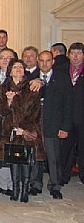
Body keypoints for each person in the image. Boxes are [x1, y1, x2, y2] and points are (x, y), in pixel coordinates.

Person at [0, 60, 45, 203]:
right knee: (13, 160)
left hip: (27, 128)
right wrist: (9, 102)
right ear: (10, 71)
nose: (18, 69)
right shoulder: (4, 87)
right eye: (15, 67)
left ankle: (24, 190)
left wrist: (22, 129)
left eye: (20, 67)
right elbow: (2, 110)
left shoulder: (31, 86)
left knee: (26, 160)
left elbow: (35, 111)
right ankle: (15, 190)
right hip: (10, 129)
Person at [38, 50, 72, 199]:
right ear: (38, 62)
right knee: (36, 157)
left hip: (54, 123)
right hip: (36, 125)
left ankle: (55, 185)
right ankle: (35, 184)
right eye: (42, 60)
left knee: (54, 157)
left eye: (47, 60)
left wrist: (65, 127)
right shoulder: (32, 78)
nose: (44, 63)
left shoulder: (63, 78)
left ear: (52, 62)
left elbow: (68, 104)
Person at [61, 42, 84, 185]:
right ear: (68, 55)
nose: (75, 56)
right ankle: (64, 176)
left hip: (82, 117)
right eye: (73, 53)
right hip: (66, 117)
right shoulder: (61, 70)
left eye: (79, 53)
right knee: (65, 149)